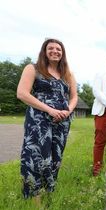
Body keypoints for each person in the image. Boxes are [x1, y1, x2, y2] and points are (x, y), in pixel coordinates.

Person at [16, 38, 78, 201]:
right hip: (39, 120)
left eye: (59, 49)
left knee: (55, 157)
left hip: (62, 121)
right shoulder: (33, 68)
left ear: (62, 53)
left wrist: (68, 110)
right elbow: (22, 93)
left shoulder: (68, 73)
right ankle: (33, 198)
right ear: (44, 51)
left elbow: (74, 97)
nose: (55, 51)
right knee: (36, 155)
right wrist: (51, 110)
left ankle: (48, 192)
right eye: (51, 48)